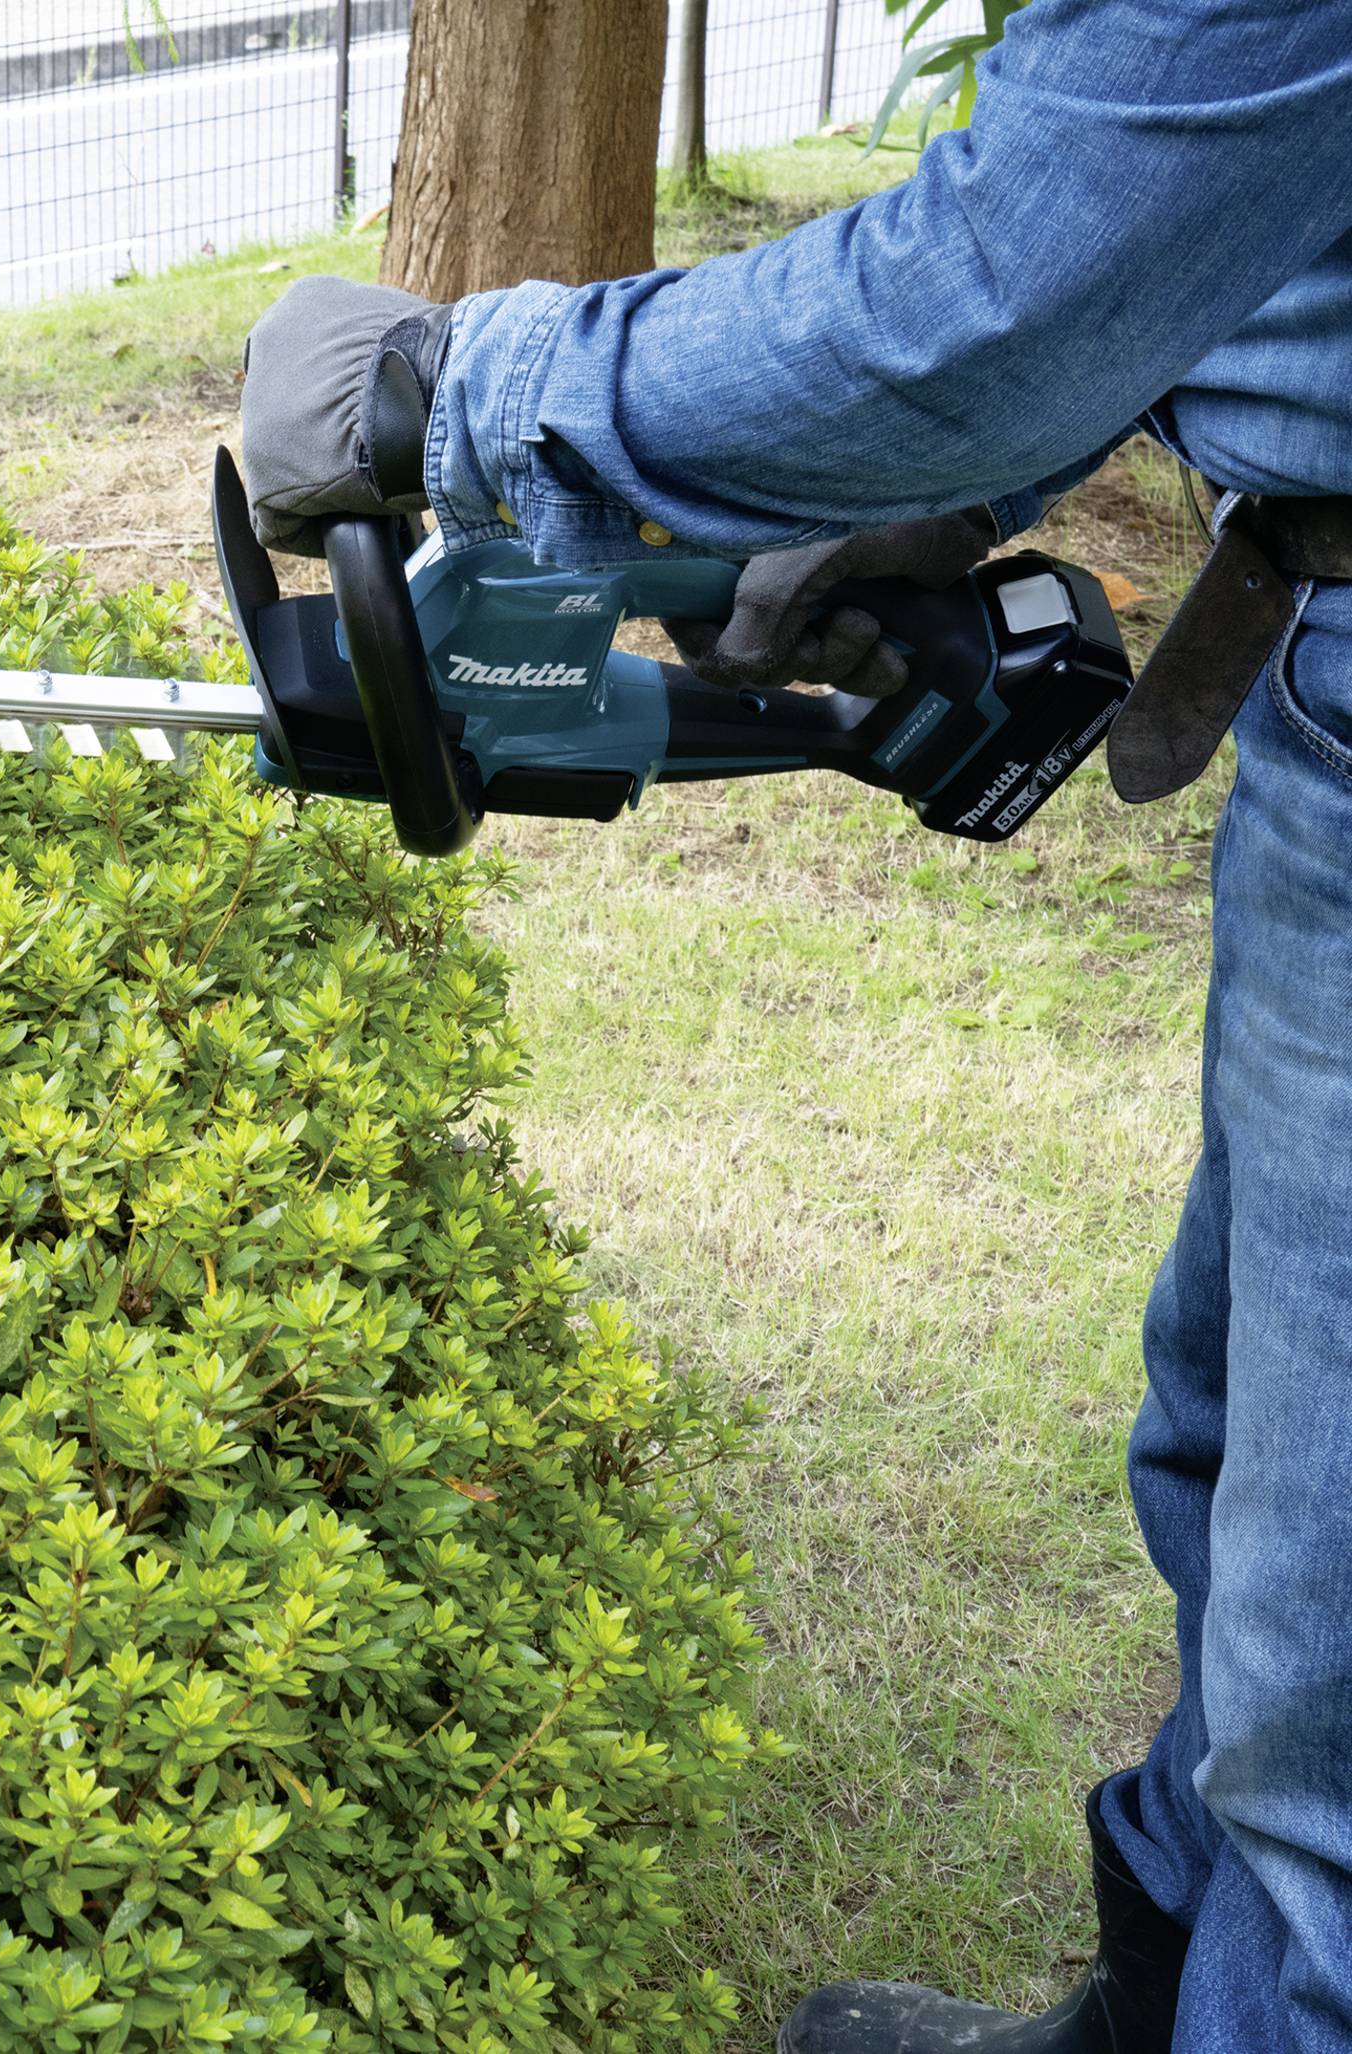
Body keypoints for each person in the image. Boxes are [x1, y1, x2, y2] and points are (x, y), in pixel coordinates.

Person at [236, 3, 1352, 2049]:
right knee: (1237, 1441)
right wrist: (941, 489)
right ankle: (1162, 1999)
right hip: (1315, 637)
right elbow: (1243, 186)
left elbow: (1004, 284)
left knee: (1343, 1692)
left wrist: (449, 390)